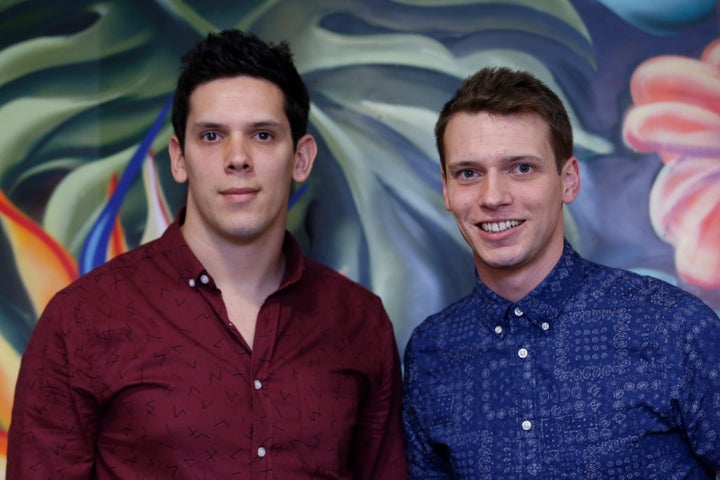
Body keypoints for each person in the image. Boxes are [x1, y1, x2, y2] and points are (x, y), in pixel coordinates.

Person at [7, 29, 407, 479]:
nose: (237, 158)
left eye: (262, 134)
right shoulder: (82, 319)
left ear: (301, 158)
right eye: (212, 136)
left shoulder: (358, 321)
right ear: (179, 158)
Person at [402, 66, 720, 479]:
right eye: (469, 173)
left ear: (568, 181)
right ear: (446, 190)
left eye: (521, 168)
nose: (493, 197)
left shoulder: (672, 326)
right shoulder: (432, 352)